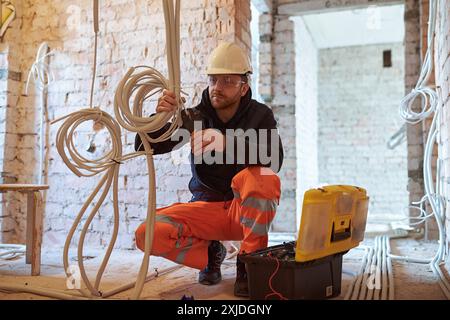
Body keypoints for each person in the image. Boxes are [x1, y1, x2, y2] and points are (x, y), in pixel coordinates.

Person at [134, 42, 283, 297]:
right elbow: (144, 146)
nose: (217, 88)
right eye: (213, 80)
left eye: (227, 81)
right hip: (206, 209)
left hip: (243, 210)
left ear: (244, 86)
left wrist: (226, 142)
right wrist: (157, 117)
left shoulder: (260, 115)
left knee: (263, 179)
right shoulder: (194, 118)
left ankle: (248, 263)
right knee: (147, 234)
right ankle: (210, 255)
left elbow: (275, 158)